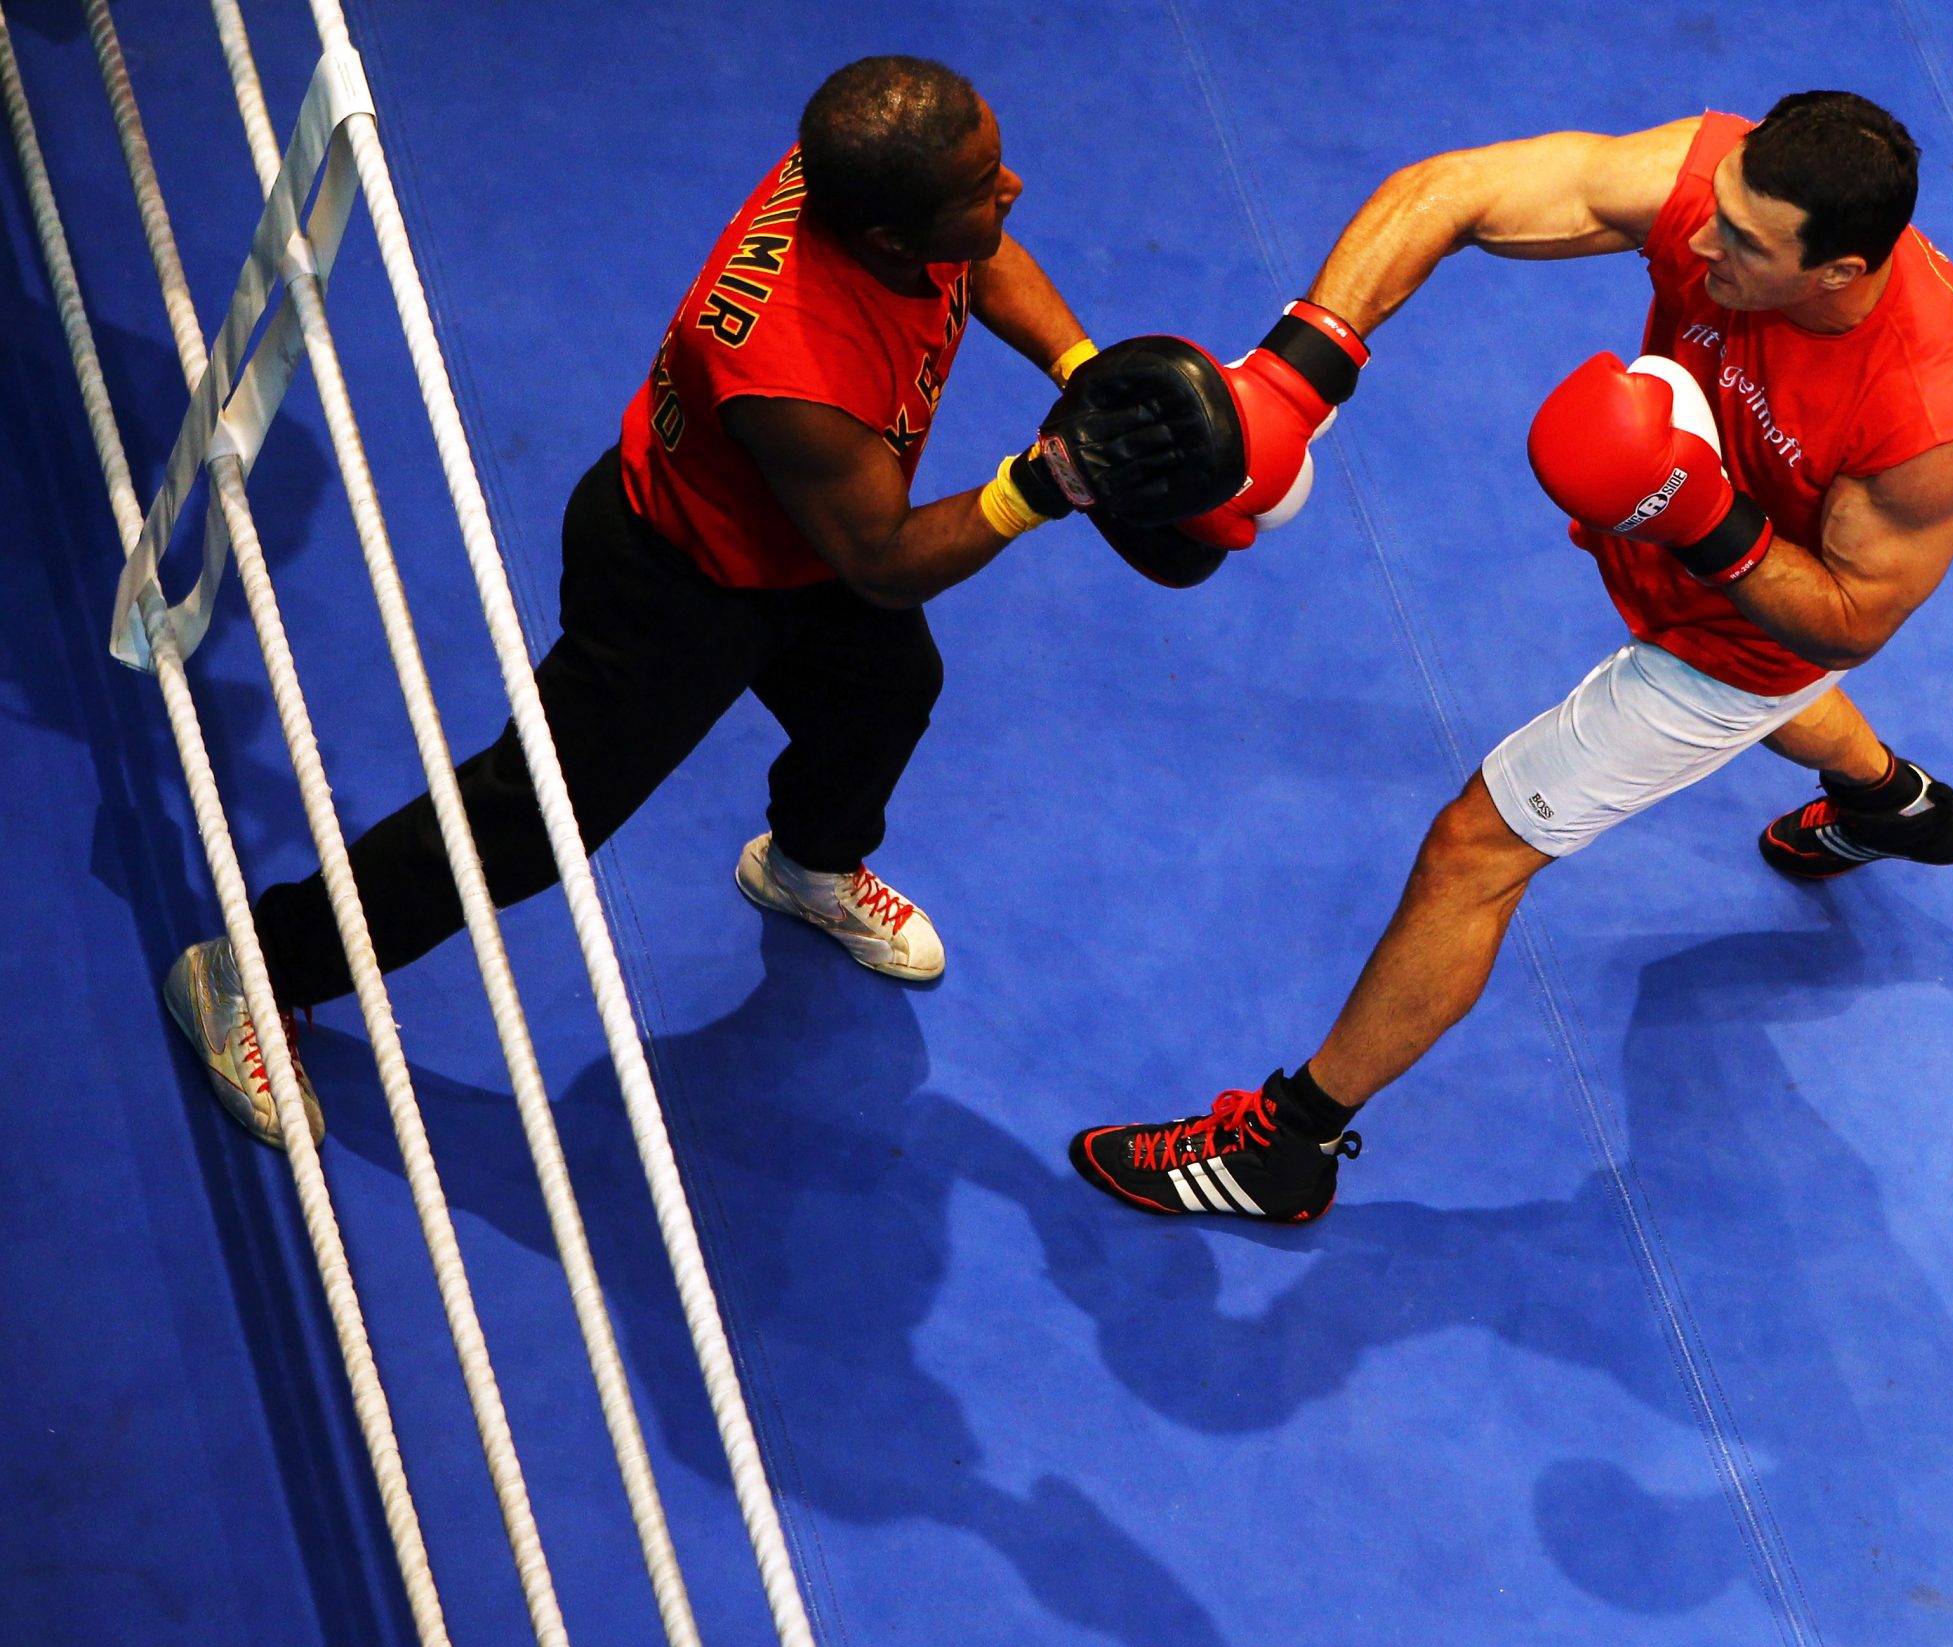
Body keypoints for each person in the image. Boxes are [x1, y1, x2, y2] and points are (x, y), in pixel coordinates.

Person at [162, 55, 1186, 1145]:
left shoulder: (872, 185)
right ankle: (251, 965)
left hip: (799, 552)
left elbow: (974, 258)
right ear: (890, 236)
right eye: (984, 184)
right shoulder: (793, 365)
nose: (1012, 187)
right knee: (529, 822)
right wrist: (1046, 485)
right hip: (680, 582)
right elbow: (882, 558)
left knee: (886, 693)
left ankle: (806, 865)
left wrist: (1081, 367)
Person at [1069, 91, 1953, 1222]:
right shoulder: (1711, 186)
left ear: (1839, 270)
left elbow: (1850, 621)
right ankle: (1887, 803)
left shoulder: (1935, 407)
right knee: (1730, 664)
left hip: (1745, 632)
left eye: (1746, 246)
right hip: (1672, 522)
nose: (1701, 241)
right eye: (1714, 212)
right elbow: (1456, 190)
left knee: (1473, 848)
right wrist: (1294, 375)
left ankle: (1290, 1146)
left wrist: (1693, 513)